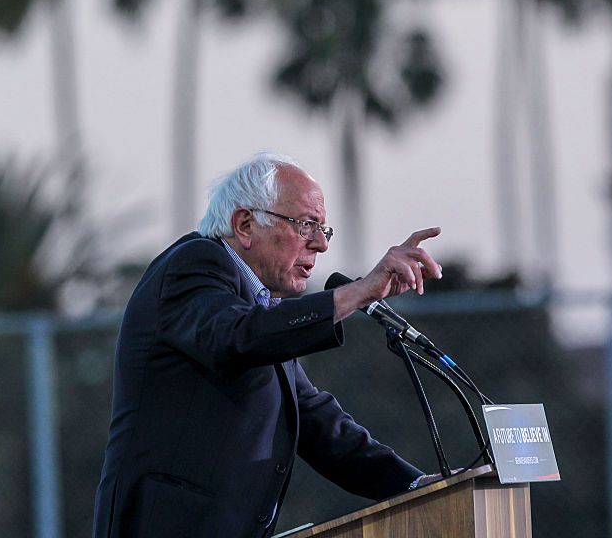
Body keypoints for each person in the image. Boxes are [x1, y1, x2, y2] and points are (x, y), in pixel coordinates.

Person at [92, 152, 443, 538]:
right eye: (305, 225)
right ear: (244, 224)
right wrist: (356, 292)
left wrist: (416, 486)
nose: (320, 246)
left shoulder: (259, 307)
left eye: (323, 230)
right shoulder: (192, 266)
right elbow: (238, 336)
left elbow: (318, 423)